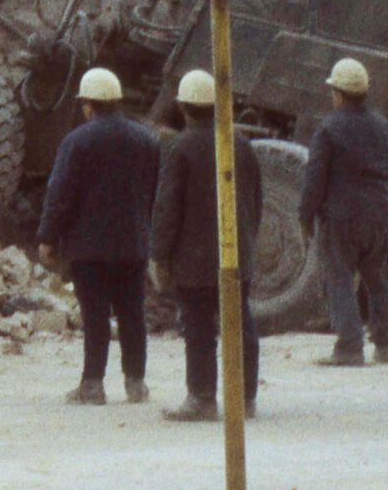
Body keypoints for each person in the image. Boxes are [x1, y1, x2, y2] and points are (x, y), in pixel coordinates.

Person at [37, 67, 160, 406]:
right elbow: (152, 192)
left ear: (88, 104)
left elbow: (59, 193)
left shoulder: (77, 141)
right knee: (132, 314)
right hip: (133, 244)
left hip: (88, 248)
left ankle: (92, 385)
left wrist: (48, 237)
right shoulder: (145, 139)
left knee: (95, 316)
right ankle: (136, 383)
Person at [149, 69, 261, 423]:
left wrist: (159, 254)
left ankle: (202, 397)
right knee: (239, 325)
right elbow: (256, 203)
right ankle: (244, 398)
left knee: (198, 328)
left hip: (193, 261)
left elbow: (168, 206)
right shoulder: (240, 144)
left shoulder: (180, 148)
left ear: (183, 107)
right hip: (235, 255)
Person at [300, 56, 388, 367]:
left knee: (339, 278)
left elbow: (315, 178)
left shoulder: (329, 128)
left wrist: (305, 215)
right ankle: (384, 345)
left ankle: (349, 347)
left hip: (341, 217)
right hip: (378, 214)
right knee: (378, 278)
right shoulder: (384, 126)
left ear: (338, 93)